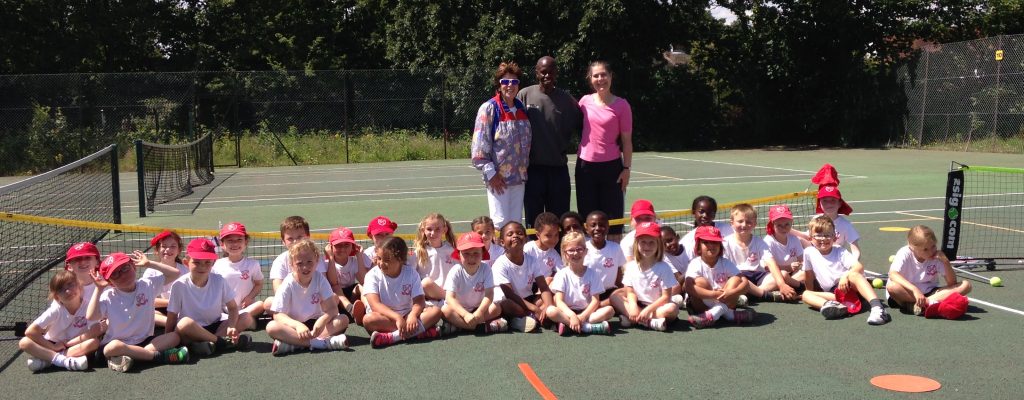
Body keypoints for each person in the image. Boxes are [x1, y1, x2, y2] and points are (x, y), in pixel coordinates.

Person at [87, 252, 189, 372]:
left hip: (145, 341)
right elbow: (91, 316)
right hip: (119, 344)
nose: (122, 275)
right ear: (110, 282)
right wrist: (99, 289)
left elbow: (175, 273)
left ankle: (134, 357)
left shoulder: (147, 285)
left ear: (134, 267)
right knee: (111, 348)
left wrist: (149, 263)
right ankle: (158, 357)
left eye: (125, 268)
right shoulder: (108, 296)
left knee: (174, 336)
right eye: (115, 274)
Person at [517, 56, 581, 229]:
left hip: (558, 171)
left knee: (559, 222)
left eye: (551, 72)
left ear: (556, 73)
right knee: (534, 221)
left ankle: (560, 254)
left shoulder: (567, 100)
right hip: (533, 171)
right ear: (537, 73)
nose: (547, 76)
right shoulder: (524, 95)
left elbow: (584, 126)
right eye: (543, 72)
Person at [575, 61, 632, 238]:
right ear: (590, 79)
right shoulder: (584, 102)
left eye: (603, 75)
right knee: (588, 219)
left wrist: (626, 169)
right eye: (596, 76)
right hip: (585, 167)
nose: (600, 79)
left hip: (612, 168)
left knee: (613, 221)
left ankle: (614, 263)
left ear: (610, 76)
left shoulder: (622, 105)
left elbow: (627, 141)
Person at [472, 61, 532, 229]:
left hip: (519, 179)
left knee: (515, 225)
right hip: (499, 181)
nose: (510, 86)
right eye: (505, 82)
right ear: (499, 84)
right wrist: (491, 175)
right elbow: (479, 146)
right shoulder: (489, 108)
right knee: (499, 225)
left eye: (514, 82)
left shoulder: (521, 108)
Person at [166, 238, 250, 356]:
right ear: (186, 262)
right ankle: (222, 342)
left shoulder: (219, 280)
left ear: (213, 263)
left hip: (215, 326)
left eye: (207, 262)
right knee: (184, 323)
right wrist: (167, 339)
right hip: (192, 330)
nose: (202, 267)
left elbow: (232, 307)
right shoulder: (179, 285)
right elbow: (172, 317)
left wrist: (231, 326)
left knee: (246, 317)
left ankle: (207, 344)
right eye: (196, 262)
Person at [801, 216, 891, 325]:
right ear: (810, 238)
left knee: (854, 275)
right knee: (806, 295)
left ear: (834, 237)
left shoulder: (839, 251)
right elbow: (809, 276)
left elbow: (858, 267)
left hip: (850, 288)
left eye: (827, 235)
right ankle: (832, 306)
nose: (823, 239)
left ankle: (878, 308)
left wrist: (845, 276)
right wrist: (811, 292)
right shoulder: (808, 252)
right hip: (834, 295)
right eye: (818, 235)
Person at [267, 238, 349, 355]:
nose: (305, 267)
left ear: (317, 261)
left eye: (309, 262)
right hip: (295, 327)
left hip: (317, 326)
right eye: (299, 263)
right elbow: (278, 315)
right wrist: (297, 325)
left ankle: (295, 344)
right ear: (291, 265)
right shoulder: (288, 283)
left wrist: (323, 320)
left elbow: (332, 308)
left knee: (343, 320)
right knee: (272, 327)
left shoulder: (320, 279)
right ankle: (321, 343)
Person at [363, 237, 443, 348]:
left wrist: (413, 315)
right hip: (386, 318)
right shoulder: (372, 275)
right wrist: (397, 318)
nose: (381, 263)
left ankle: (391, 337)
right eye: (379, 258)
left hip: (408, 315)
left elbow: (419, 300)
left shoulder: (411, 273)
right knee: (368, 320)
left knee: (436, 312)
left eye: (387, 260)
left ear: (400, 259)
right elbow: (375, 304)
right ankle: (418, 333)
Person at [19, 270, 102, 371]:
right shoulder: (56, 310)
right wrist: (53, 347)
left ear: (79, 286)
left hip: (74, 345)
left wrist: (69, 343)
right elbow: (30, 331)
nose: (68, 291)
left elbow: (95, 330)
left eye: (71, 285)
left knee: (94, 342)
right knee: (24, 342)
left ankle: (48, 360)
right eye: (61, 290)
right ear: (57, 297)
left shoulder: (89, 306)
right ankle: (64, 361)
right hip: (52, 344)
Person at [886, 225, 972, 316]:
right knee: (892, 286)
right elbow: (893, 274)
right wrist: (915, 290)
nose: (931, 252)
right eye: (925, 249)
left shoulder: (937, 256)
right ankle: (928, 303)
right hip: (907, 293)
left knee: (966, 285)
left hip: (930, 292)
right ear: (912, 248)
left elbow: (952, 283)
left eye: (933, 246)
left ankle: (924, 304)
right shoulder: (904, 253)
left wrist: (946, 261)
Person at [610, 222, 678, 331]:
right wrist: (632, 306)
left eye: (651, 242)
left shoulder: (664, 267)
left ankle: (636, 319)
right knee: (614, 297)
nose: (647, 246)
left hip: (657, 307)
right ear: (637, 244)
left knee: (671, 309)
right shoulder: (631, 266)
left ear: (658, 244)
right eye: (643, 242)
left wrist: (648, 310)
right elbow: (630, 292)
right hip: (638, 305)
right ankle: (649, 322)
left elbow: (665, 297)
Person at [722, 203, 794, 302]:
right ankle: (764, 295)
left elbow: (771, 262)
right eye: (740, 221)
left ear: (755, 224)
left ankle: (751, 294)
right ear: (732, 223)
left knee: (782, 274)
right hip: (738, 276)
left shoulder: (759, 241)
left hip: (758, 276)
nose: (744, 225)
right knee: (734, 280)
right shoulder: (726, 242)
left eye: (748, 222)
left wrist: (782, 285)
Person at [685, 226, 755, 329]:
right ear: (698, 246)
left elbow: (745, 283)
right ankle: (730, 315)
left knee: (736, 280)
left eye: (715, 242)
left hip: (724, 299)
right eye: (706, 242)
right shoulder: (695, 263)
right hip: (701, 306)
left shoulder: (726, 263)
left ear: (720, 245)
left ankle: (713, 315)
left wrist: (733, 292)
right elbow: (688, 287)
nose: (711, 246)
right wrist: (713, 294)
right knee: (700, 282)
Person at [440, 232, 508, 335]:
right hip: (459, 310)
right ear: (459, 255)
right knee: (445, 311)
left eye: (476, 253)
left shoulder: (486, 269)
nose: (471, 258)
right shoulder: (455, 270)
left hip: (479, 309)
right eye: (466, 254)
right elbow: (450, 298)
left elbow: (489, 295)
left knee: (497, 308)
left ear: (482, 253)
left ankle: (461, 327)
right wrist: (465, 315)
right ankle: (482, 327)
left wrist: (479, 312)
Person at [547, 232, 613, 336]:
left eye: (579, 249)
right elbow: (559, 301)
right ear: (564, 253)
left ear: (586, 251)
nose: (575, 253)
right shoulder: (561, 274)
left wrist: (582, 316)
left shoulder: (593, 274)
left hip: (587, 313)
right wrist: (572, 315)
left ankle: (571, 326)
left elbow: (595, 301)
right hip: (567, 312)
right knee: (551, 311)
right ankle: (586, 327)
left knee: (610, 310)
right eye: (571, 250)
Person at [492, 221, 551, 332]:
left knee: (548, 296)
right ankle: (523, 318)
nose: (515, 236)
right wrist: (534, 309)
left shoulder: (532, 260)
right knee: (505, 303)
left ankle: (526, 319)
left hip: (528, 299)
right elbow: (509, 294)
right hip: (513, 300)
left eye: (519, 233)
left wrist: (548, 307)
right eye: (510, 234)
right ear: (502, 242)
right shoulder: (500, 264)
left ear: (525, 239)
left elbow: (543, 287)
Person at [212, 222, 264, 331]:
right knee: (248, 321)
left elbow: (259, 284)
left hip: (246, 309)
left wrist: (250, 297)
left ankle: (234, 321)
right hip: (224, 311)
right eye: (230, 241)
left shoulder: (253, 264)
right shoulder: (216, 265)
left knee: (260, 304)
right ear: (222, 244)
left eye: (239, 240)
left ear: (246, 242)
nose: (234, 244)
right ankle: (237, 322)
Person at [141, 230, 190, 329]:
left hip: (181, 309)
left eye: (173, 246)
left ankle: (179, 324)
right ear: (156, 250)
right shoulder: (151, 272)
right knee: (145, 312)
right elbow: (147, 299)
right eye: (164, 246)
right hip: (162, 310)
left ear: (179, 250)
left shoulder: (185, 270)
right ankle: (176, 324)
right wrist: (171, 302)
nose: (168, 249)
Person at [413, 213, 457, 305]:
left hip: (449, 290)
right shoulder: (418, 252)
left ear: (444, 230)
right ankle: (449, 299)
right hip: (428, 295)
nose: (433, 233)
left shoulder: (452, 249)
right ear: (423, 230)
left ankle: (449, 299)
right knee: (426, 282)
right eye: (429, 229)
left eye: (437, 229)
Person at [324, 227, 367, 322]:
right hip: (335, 298)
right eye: (338, 245)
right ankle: (351, 310)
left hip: (351, 294)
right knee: (336, 288)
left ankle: (368, 310)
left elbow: (364, 281)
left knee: (360, 286)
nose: (342, 249)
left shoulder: (354, 261)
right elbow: (333, 282)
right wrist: (330, 257)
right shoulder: (327, 263)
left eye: (347, 245)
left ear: (353, 246)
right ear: (330, 247)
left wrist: (359, 256)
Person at [583, 210, 625, 306]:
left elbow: (618, 276)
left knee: (628, 293)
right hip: (589, 293)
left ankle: (599, 307)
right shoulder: (582, 249)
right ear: (586, 228)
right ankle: (596, 307)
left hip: (609, 292)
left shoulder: (615, 248)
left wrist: (623, 290)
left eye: (602, 225)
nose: (597, 228)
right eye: (593, 225)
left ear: (607, 228)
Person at [763, 205, 807, 292]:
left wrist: (800, 265)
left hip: (793, 275)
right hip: (774, 275)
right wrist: (788, 267)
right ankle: (797, 287)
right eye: (779, 225)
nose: (783, 228)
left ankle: (789, 286)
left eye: (787, 224)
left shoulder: (794, 239)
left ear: (791, 222)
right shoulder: (768, 241)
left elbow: (802, 260)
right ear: (772, 224)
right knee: (784, 275)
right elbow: (766, 267)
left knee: (806, 272)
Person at [523, 212, 563, 281]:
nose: (553, 239)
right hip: (528, 285)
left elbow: (561, 272)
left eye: (556, 235)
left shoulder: (554, 253)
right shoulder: (528, 249)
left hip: (545, 285)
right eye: (548, 235)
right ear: (538, 235)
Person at [659, 225, 690, 307]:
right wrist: (692, 267)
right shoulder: (665, 257)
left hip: (696, 279)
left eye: (670, 240)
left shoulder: (689, 248)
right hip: (682, 283)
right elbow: (679, 279)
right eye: (664, 244)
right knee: (676, 286)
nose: (668, 245)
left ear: (677, 237)